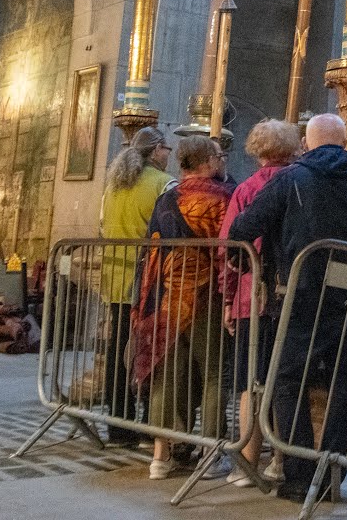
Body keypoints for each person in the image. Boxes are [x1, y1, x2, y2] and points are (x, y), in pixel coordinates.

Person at [229, 113, 347, 503]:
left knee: (288, 379)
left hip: (300, 292)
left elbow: (243, 229)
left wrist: (254, 266)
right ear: (345, 143)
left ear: (306, 144)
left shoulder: (290, 179)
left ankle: (299, 474)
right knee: (343, 381)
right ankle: (331, 473)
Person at [134, 135, 233, 481]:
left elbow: (152, 251)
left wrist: (145, 301)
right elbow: (228, 253)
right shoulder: (221, 198)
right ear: (205, 162)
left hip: (167, 299)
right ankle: (210, 454)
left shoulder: (166, 199)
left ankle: (160, 457)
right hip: (207, 297)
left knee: (167, 372)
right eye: (217, 156)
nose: (221, 161)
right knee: (214, 374)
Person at [217, 118, 300, 488]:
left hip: (251, 296)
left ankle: (248, 463)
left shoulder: (247, 189)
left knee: (249, 382)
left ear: (256, 151)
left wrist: (228, 298)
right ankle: (280, 461)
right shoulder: (301, 183)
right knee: (283, 379)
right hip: (289, 293)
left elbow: (230, 249)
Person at [99, 126, 172, 444]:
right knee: (152, 351)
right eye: (167, 148)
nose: (168, 154)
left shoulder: (114, 184)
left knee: (118, 349)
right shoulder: (162, 183)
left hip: (116, 277)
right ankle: (149, 422)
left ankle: (119, 425)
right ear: (156, 150)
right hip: (148, 281)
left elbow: (102, 225)